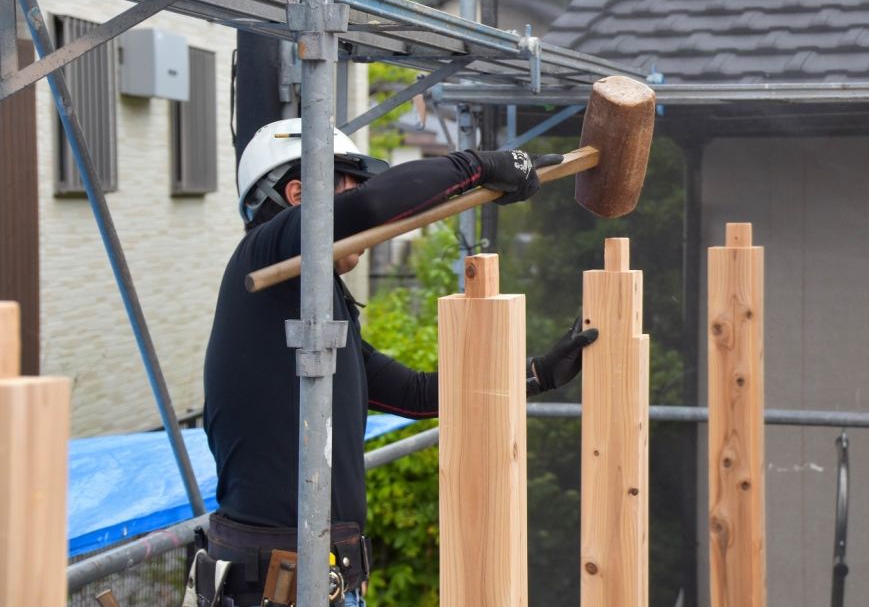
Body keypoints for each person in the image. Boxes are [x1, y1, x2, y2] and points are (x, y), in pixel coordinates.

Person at [199, 118, 598, 606]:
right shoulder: (260, 258)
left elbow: (412, 394)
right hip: (277, 584)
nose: (371, 223)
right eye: (350, 184)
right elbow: (373, 206)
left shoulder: (308, 312)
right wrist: (479, 165)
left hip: (314, 578)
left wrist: (533, 374)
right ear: (301, 195)